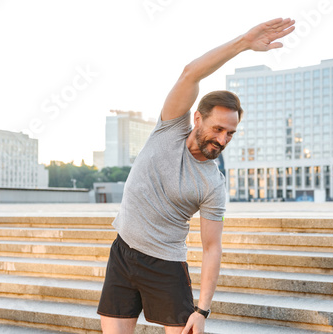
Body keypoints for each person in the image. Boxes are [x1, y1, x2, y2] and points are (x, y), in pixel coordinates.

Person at [97, 18, 295, 334]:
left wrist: (202, 309)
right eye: (217, 129)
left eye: (230, 133)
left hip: (165, 267)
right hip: (122, 253)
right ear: (197, 118)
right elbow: (191, 72)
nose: (223, 139)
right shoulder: (169, 130)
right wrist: (243, 42)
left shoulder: (212, 183)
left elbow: (211, 247)